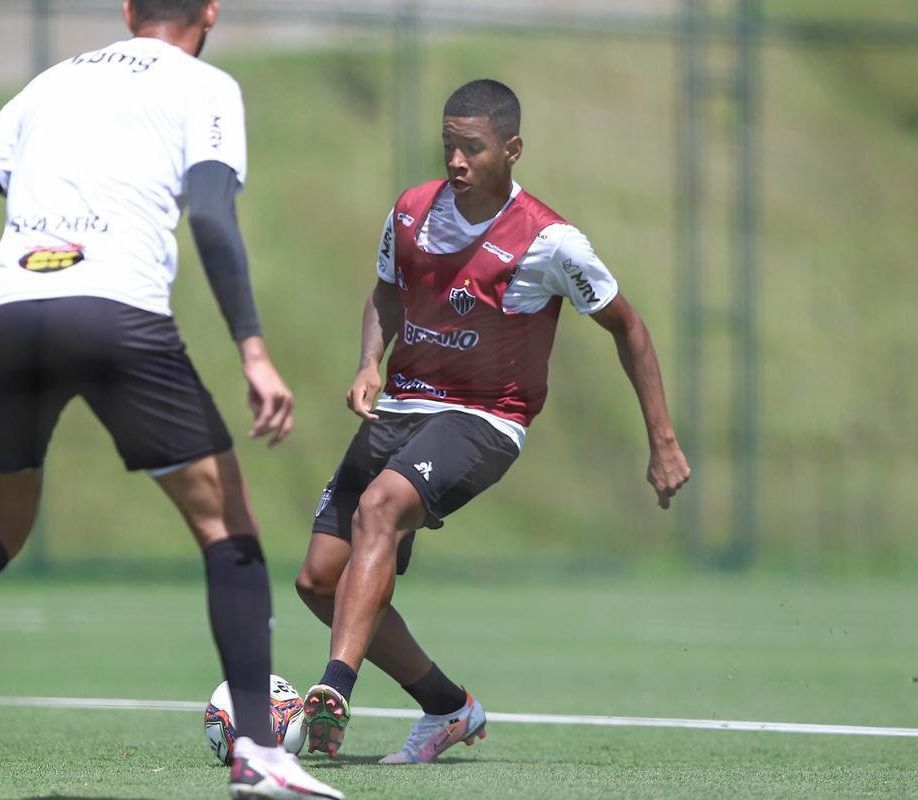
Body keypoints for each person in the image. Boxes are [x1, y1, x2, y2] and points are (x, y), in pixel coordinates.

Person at [0, 2, 342, 799]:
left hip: (12, 315)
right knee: (226, 525)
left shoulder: (49, 82)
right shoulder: (205, 85)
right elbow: (208, 211)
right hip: (116, 312)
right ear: (210, 11)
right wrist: (254, 350)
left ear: (128, 10)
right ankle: (260, 753)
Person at [295, 79, 691, 763]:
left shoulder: (551, 241)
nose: (456, 161)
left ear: (511, 150)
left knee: (382, 506)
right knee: (318, 580)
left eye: (471, 148)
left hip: (484, 420)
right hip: (402, 406)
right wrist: (368, 362)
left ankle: (333, 689)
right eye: (449, 145)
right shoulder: (411, 212)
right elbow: (386, 295)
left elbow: (629, 330)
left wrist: (662, 442)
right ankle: (450, 708)